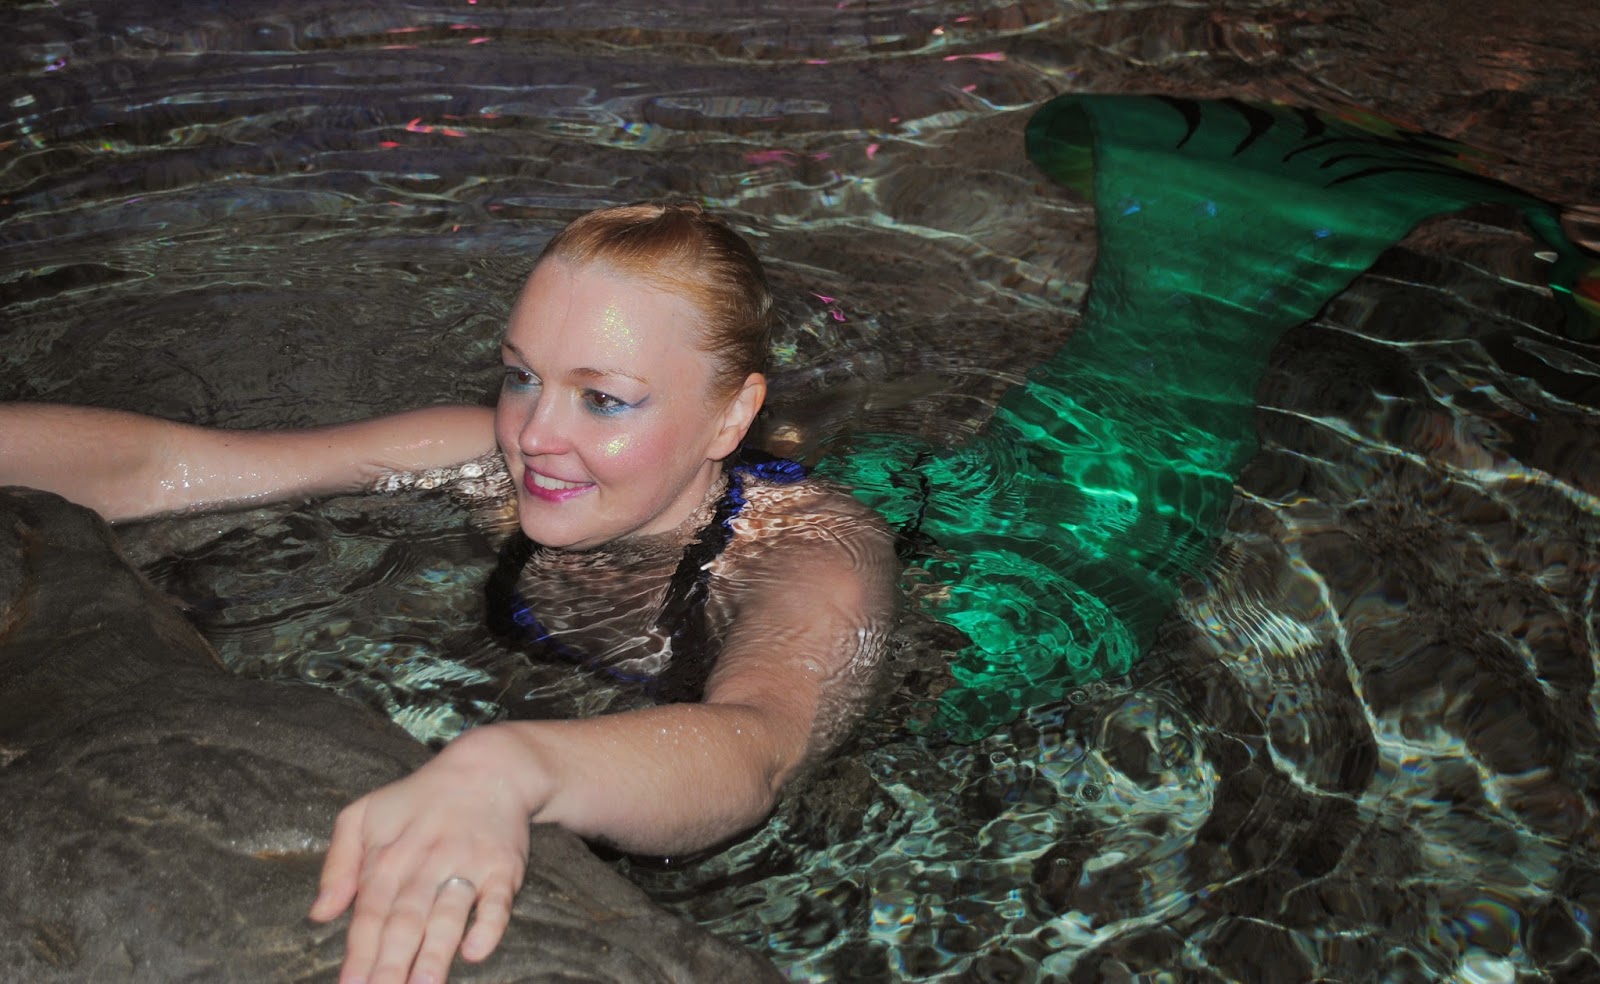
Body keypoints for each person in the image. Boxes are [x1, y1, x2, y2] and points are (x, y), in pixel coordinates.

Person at [0, 201, 902, 984]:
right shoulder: (491, 471)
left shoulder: (809, 555)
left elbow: (760, 748)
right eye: (522, 377)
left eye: (603, 400)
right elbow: (172, 467)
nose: (534, 435)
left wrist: (509, 768)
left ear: (732, 414)